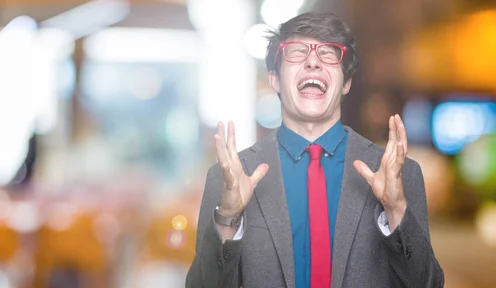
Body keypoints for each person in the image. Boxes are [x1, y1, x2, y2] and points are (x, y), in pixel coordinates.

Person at [185, 12, 444, 288]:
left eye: (328, 54)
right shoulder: (229, 178)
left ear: (346, 83)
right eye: (296, 52)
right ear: (274, 79)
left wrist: (395, 209)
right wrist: (228, 217)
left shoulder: (400, 175)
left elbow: (427, 284)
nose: (312, 62)